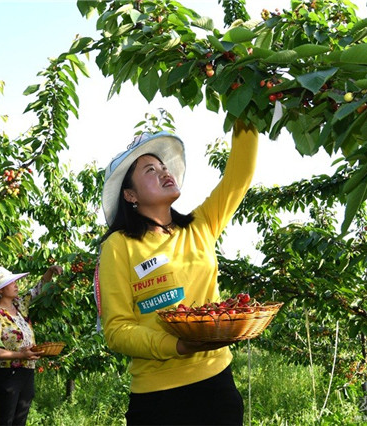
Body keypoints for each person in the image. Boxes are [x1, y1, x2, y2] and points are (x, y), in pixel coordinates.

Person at [95, 119, 259, 425]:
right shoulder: (119, 246)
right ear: (130, 196)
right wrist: (177, 345)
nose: (164, 172)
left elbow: (240, 176)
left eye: (163, 167)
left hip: (217, 387)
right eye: (150, 171)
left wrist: (245, 105)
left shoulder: (201, 226)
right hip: (159, 401)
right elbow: (116, 330)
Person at [0, 264, 63, 426]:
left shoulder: (20, 306)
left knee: (20, 422)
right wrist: (20, 355)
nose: (16, 284)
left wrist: (49, 271)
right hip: (7, 376)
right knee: (4, 422)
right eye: (11, 283)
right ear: (0, 290)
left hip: (26, 373)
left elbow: (38, 289)